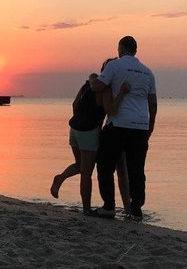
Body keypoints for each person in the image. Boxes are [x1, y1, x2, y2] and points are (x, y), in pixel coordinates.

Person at [50, 63, 131, 215]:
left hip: (74, 129)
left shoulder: (87, 85)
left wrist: (80, 120)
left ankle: (60, 178)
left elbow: (74, 104)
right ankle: (86, 209)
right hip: (88, 131)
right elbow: (110, 110)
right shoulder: (104, 89)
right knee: (86, 172)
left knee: (80, 165)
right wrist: (122, 93)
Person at [92, 36, 157, 221]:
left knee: (105, 165)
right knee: (137, 169)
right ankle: (136, 210)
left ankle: (109, 206)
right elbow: (153, 102)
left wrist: (92, 78)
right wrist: (150, 126)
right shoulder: (148, 73)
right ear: (135, 51)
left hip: (117, 125)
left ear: (120, 49)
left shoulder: (114, 66)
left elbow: (98, 86)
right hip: (140, 126)